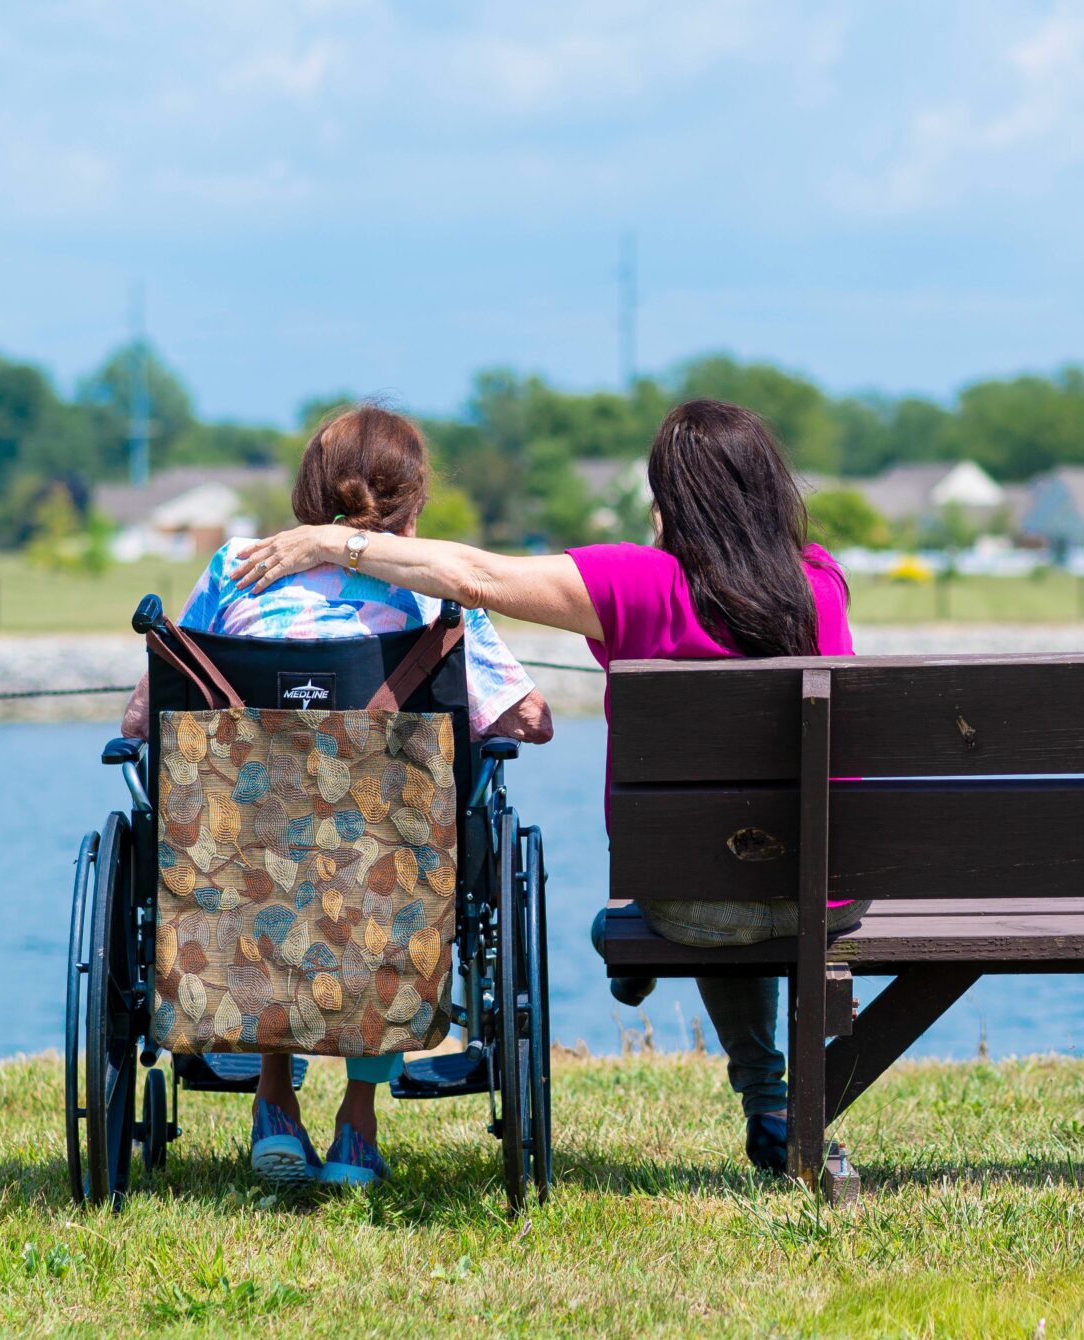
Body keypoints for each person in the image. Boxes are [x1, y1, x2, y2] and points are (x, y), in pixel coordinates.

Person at [235, 398, 856, 1176]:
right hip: (821, 890)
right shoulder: (822, 585)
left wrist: (331, 539)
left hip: (690, 900)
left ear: (674, 500)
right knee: (758, 871)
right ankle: (770, 1106)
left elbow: (474, 574)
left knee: (700, 892)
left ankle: (748, 1074)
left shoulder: (639, 583)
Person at [120, 403, 553, 1193]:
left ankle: (274, 1103)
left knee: (276, 857)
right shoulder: (431, 596)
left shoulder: (231, 569)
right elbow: (531, 721)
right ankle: (358, 1122)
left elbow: (142, 720)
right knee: (382, 863)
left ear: (308, 487)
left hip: (238, 859)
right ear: (411, 502)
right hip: (386, 875)